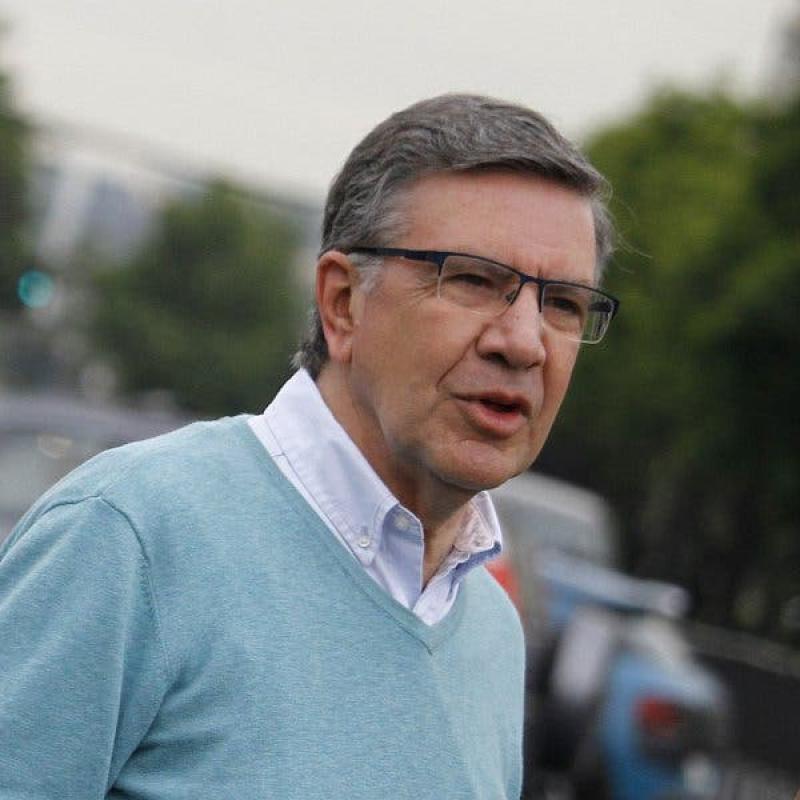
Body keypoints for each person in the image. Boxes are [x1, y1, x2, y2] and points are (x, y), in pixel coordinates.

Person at [0, 94, 618, 799]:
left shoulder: (492, 634)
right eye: (474, 280)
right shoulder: (131, 536)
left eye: (563, 303)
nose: (525, 342)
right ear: (342, 302)